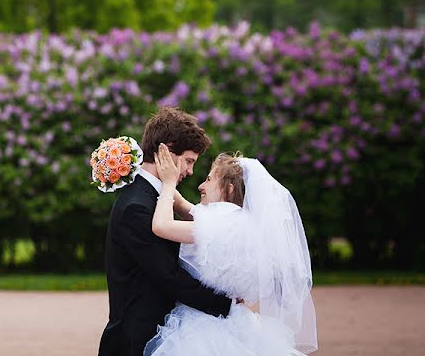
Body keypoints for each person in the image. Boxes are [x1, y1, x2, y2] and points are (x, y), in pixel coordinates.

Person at [145, 146, 318, 355]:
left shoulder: (224, 225)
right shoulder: (240, 222)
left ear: (228, 189)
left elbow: (161, 226)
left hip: (205, 326)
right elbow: (184, 206)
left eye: (209, 180)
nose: (201, 185)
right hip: (232, 319)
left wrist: (169, 182)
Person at [98, 108, 232, 356]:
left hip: (156, 333)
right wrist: (229, 306)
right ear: (166, 151)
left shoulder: (155, 197)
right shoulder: (137, 206)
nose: (190, 171)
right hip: (136, 340)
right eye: (189, 161)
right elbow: (168, 276)